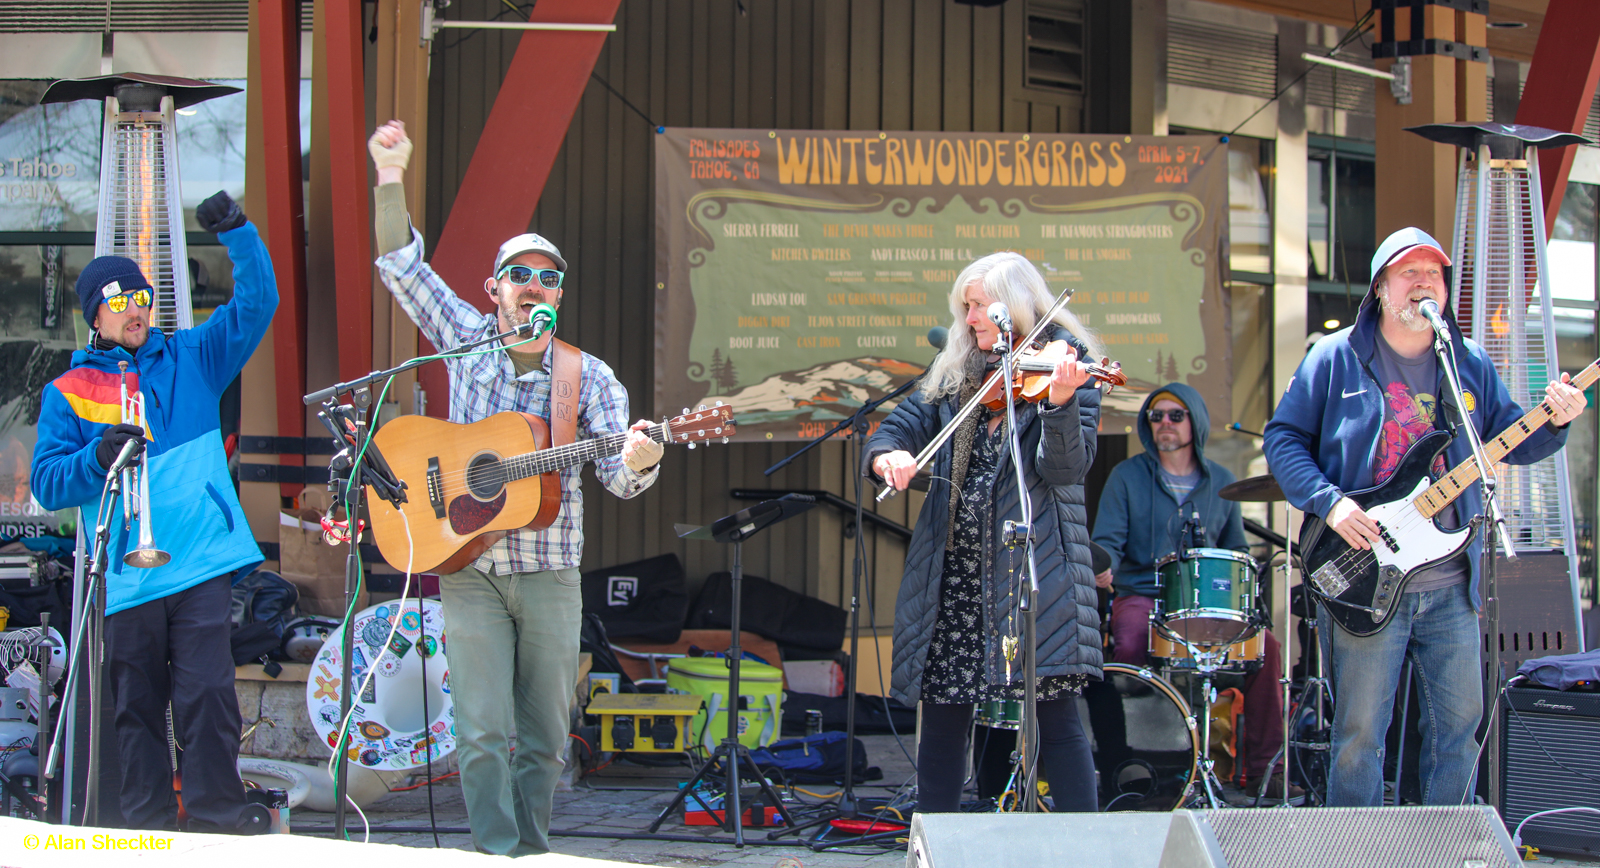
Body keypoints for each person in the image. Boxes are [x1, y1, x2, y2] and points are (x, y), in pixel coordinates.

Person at [367, 120, 663, 856]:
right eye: (521, 275)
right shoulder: (466, 344)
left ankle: (532, 853)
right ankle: (494, 854)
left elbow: (619, 481)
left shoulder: (587, 377)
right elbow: (403, 268)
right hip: (468, 569)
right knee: (479, 732)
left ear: (558, 294)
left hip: (551, 576)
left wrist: (645, 455)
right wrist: (389, 176)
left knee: (543, 739)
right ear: (493, 288)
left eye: (548, 278)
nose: (535, 286)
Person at [1262, 227, 1586, 807]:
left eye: (1432, 274)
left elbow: (1519, 441)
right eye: (1408, 273)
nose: (1422, 284)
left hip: (1450, 580)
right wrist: (1330, 502)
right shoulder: (1336, 359)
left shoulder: (1467, 366)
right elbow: (1284, 438)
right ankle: (1353, 851)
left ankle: (1445, 844)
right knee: (1360, 735)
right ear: (1381, 287)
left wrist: (1558, 419)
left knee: (1461, 727)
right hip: (1365, 567)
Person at [30, 191, 277, 833]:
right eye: (118, 301)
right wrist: (94, 457)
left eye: (140, 297)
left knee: (208, 699)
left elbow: (256, 306)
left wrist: (239, 233)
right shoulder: (67, 392)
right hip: (126, 574)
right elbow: (47, 485)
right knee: (135, 707)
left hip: (197, 562)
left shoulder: (194, 356)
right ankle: (142, 829)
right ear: (95, 317)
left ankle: (217, 817)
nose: (133, 309)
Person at [865, 251, 1103, 812]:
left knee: (1055, 719)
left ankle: (1085, 849)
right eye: (965, 306)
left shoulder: (1067, 363)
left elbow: (1065, 469)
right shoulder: (958, 372)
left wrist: (1061, 405)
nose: (968, 317)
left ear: (1013, 306)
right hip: (957, 573)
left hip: (1034, 570)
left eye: (977, 305)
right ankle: (934, 842)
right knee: (944, 714)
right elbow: (897, 427)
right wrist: (889, 457)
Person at [1092, 384, 1299, 800]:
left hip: (1209, 604)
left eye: (1175, 415)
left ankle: (1262, 771)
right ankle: (1133, 762)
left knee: (1269, 649)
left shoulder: (1221, 481)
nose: (1164, 423)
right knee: (1130, 640)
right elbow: (1108, 541)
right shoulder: (1127, 476)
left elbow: (1237, 550)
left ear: (1195, 423)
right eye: (1156, 416)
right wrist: (1103, 566)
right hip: (1145, 593)